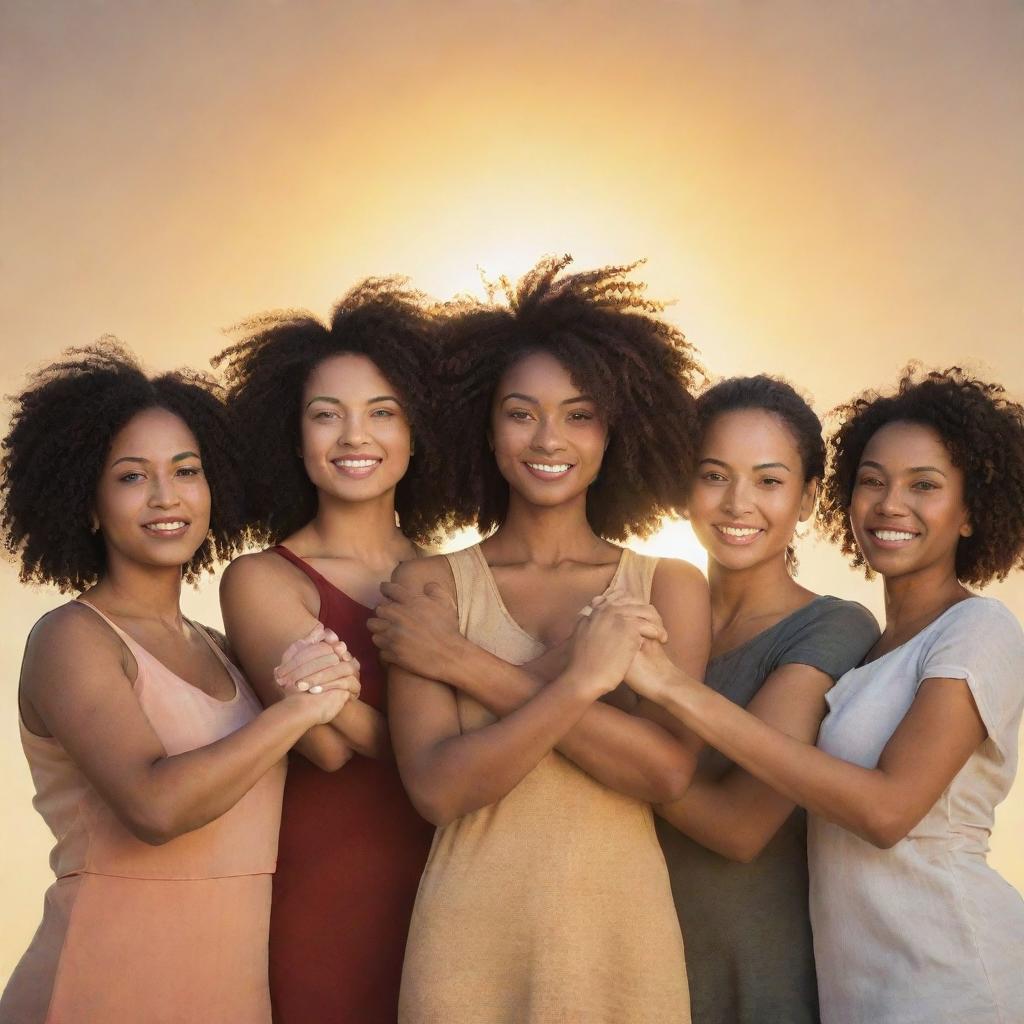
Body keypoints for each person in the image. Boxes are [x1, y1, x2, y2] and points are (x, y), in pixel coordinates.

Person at [613, 366, 1024, 1024]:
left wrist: (666, 692)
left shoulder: (980, 628)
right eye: (872, 481)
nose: (891, 504)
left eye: (925, 486)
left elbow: (888, 813)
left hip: (952, 974)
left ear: (972, 510)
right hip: (858, 986)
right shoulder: (876, 655)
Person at [385, 256, 710, 1024]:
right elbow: (438, 790)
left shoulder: (668, 585)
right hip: (468, 945)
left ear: (615, 429)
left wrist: (467, 664)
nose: (548, 438)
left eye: (579, 413)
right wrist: (578, 684)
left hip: (621, 944)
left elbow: (664, 773)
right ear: (485, 426)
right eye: (520, 411)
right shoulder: (430, 587)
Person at [0, 342, 353, 1024]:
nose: (167, 497)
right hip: (99, 988)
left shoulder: (222, 652)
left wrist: (330, 677)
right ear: (89, 502)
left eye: (185, 470)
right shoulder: (72, 638)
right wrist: (297, 708)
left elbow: (331, 752)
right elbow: (154, 808)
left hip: (228, 993)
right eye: (132, 477)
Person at [214, 279, 446, 1023]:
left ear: (417, 431)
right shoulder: (260, 578)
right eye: (326, 416)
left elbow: (347, 721)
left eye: (383, 412)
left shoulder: (453, 575)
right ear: (294, 435)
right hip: (327, 897)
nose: (356, 437)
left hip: (453, 891)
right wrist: (452, 746)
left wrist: (345, 702)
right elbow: (325, 748)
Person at [649, 375, 878, 1024]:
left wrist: (584, 741)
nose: (736, 503)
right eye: (713, 475)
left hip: (758, 977)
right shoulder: (644, 611)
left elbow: (740, 826)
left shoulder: (834, 626)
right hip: (636, 963)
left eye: (769, 481)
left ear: (806, 499)